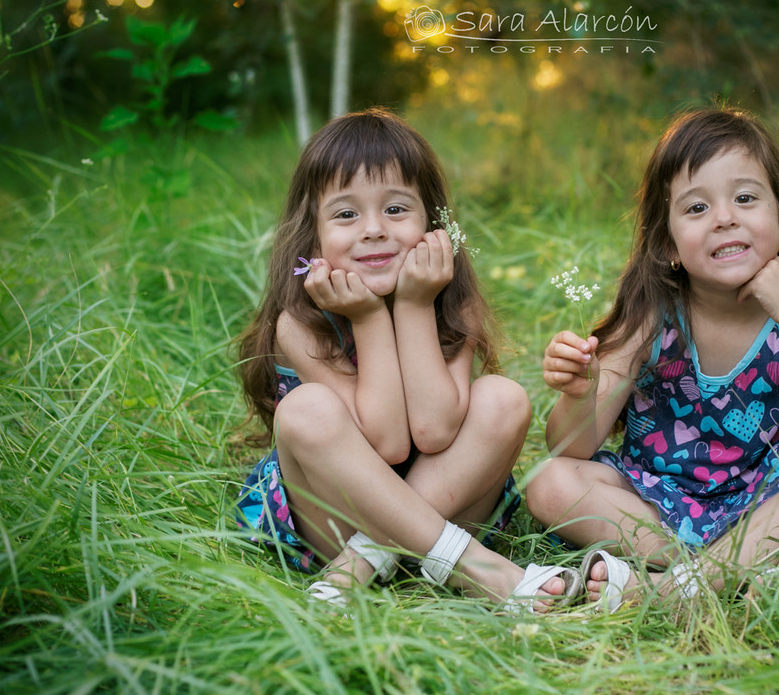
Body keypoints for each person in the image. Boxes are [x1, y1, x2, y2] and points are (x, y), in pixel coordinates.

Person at [528, 107, 779, 610]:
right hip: (656, 506)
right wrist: (580, 391)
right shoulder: (651, 318)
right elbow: (572, 449)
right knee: (548, 482)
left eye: (745, 198)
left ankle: (671, 589)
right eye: (696, 209)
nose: (724, 218)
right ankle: (719, 576)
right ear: (668, 244)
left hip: (764, 504)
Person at [233, 109, 580, 612]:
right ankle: (476, 569)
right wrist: (370, 318)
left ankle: (366, 562)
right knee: (306, 409)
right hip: (336, 520)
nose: (373, 230)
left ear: (434, 223)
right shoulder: (302, 323)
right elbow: (388, 443)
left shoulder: (450, 304)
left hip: (448, 504)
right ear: (312, 235)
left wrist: (416, 306)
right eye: (346, 214)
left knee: (503, 398)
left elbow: (435, 430)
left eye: (396, 209)